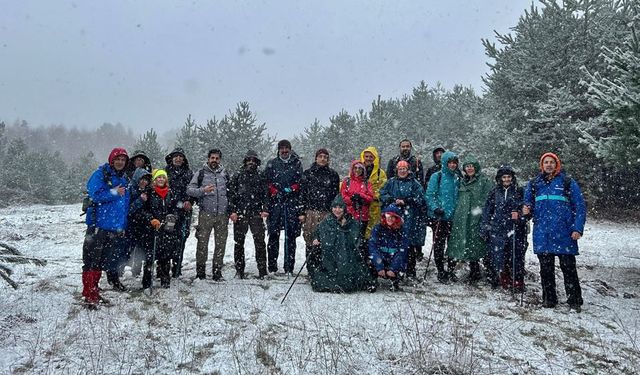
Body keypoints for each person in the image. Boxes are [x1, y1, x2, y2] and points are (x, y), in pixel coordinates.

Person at [523, 152, 586, 312]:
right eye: (546, 162)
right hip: (543, 233)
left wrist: (577, 228)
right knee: (546, 269)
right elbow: (527, 205)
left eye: (552, 162)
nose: (549, 165)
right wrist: (526, 210)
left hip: (564, 233)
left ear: (557, 164)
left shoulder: (567, 182)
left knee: (568, 268)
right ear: (542, 165)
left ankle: (574, 301)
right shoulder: (534, 184)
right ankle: (549, 300)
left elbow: (579, 207)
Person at [81, 148, 130, 307]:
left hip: (112, 227)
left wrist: (122, 225)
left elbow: (124, 205)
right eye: (118, 159)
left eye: (123, 160)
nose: (120, 162)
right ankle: (89, 293)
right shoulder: (100, 174)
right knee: (91, 260)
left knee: (101, 260)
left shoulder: (123, 178)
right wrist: (114, 192)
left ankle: (93, 290)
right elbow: (94, 195)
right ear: (111, 160)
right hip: (98, 225)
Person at [308, 196, 373, 293]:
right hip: (331, 256)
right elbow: (317, 231)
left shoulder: (352, 222)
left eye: (340, 207)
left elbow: (356, 237)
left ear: (344, 209)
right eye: (335, 207)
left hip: (347, 255)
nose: (337, 210)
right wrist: (316, 238)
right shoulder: (326, 222)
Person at [446, 155, 493, 283]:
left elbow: (489, 198)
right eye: (467, 166)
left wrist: (482, 213)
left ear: (476, 167)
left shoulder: (484, 181)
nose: (469, 168)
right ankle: (472, 270)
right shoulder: (461, 181)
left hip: (477, 216)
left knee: (479, 243)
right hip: (462, 217)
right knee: (466, 243)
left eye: (471, 166)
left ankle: (488, 272)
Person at [481, 165, 528, 290]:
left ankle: (518, 280)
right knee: (500, 254)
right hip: (498, 228)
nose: (506, 179)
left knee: (516, 255)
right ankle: (504, 277)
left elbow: (526, 210)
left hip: (515, 228)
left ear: (512, 178)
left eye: (509, 177)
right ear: (500, 178)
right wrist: (485, 227)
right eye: (504, 177)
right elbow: (487, 210)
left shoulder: (519, 191)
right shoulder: (494, 192)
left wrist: (519, 215)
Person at [379, 160, 427, 279]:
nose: (402, 171)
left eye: (404, 169)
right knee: (394, 243)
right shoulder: (391, 182)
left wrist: (407, 201)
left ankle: (410, 270)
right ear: (397, 170)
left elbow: (421, 198)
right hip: (393, 216)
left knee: (408, 244)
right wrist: (392, 200)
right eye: (400, 169)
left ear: (408, 170)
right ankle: (394, 269)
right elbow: (382, 194)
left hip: (410, 217)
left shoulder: (414, 183)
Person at [187, 149, 229, 281]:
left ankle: (217, 271)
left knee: (221, 244)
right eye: (212, 158)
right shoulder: (200, 173)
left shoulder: (225, 174)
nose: (214, 160)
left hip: (222, 215)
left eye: (217, 158)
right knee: (202, 244)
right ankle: (200, 272)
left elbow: (231, 192)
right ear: (208, 159)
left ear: (220, 160)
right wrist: (203, 190)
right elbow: (190, 190)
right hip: (206, 214)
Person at [264, 140, 304, 275]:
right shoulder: (272, 163)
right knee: (273, 235)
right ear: (279, 150)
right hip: (275, 203)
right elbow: (266, 181)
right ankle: (272, 267)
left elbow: (300, 181)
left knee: (290, 237)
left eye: (287, 148)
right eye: (282, 148)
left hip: (291, 203)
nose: (284, 151)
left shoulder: (297, 163)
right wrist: (274, 190)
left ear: (290, 150)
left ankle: (289, 268)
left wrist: (292, 189)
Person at [228, 150, 269, 279]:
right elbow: (231, 194)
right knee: (239, 243)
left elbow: (265, 194)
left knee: (260, 243)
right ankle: (239, 270)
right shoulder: (238, 175)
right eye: (249, 160)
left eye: (253, 160)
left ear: (256, 162)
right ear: (245, 161)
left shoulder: (261, 176)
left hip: (256, 213)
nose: (251, 162)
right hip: (240, 213)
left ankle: (262, 270)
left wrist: (265, 208)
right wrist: (232, 211)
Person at [300, 148, 340, 269]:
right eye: (320, 156)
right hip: (311, 212)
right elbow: (302, 194)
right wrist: (302, 212)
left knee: (326, 241)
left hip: (327, 212)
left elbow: (335, 195)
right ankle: (311, 268)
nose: (323, 159)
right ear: (316, 158)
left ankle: (324, 267)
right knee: (310, 239)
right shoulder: (308, 173)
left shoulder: (333, 175)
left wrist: (335, 212)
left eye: (325, 157)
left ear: (328, 160)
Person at [425, 150, 461, 283]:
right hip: (440, 217)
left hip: (454, 218)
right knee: (439, 245)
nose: (452, 165)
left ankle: (451, 270)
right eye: (450, 162)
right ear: (445, 163)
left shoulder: (457, 178)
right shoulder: (437, 176)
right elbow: (429, 195)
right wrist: (435, 208)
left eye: (454, 163)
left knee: (453, 246)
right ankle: (441, 271)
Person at [148, 169, 180, 288]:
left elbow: (176, 208)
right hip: (154, 227)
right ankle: (148, 279)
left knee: (166, 253)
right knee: (152, 254)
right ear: (154, 180)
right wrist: (151, 219)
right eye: (158, 177)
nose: (161, 179)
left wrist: (174, 217)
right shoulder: (150, 193)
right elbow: (146, 209)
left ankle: (165, 277)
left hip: (168, 227)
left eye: (163, 177)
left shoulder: (170, 193)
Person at [164, 147, 194, 278]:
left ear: (184, 159)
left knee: (181, 239)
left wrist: (190, 201)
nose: (178, 158)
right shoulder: (164, 172)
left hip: (184, 213)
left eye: (180, 156)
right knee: (165, 239)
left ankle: (177, 268)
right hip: (167, 212)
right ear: (171, 158)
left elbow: (194, 190)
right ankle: (163, 269)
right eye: (175, 156)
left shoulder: (189, 173)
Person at [368, 204, 409, 292]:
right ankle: (372, 280)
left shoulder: (402, 231)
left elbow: (402, 251)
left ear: (397, 218)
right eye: (388, 216)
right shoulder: (377, 228)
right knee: (370, 259)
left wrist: (393, 269)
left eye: (393, 216)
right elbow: (373, 248)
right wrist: (379, 266)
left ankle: (395, 281)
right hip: (380, 258)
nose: (390, 218)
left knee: (402, 261)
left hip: (393, 259)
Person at [127, 168, 153, 279]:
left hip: (144, 225)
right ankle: (131, 271)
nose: (144, 182)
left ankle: (141, 272)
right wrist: (140, 201)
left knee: (143, 249)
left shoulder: (147, 191)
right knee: (132, 249)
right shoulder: (130, 190)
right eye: (142, 179)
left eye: (146, 180)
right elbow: (128, 209)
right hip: (132, 225)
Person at [340, 160, 375, 241]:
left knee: (360, 240)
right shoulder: (347, 181)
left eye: (360, 168)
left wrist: (361, 196)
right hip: (348, 215)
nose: (357, 170)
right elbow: (342, 197)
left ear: (363, 170)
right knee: (347, 239)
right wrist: (351, 200)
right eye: (355, 168)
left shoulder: (367, 183)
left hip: (362, 216)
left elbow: (370, 198)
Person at [360, 147, 387, 240]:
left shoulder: (380, 173)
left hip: (374, 206)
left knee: (373, 231)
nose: (368, 158)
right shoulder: (357, 169)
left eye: (371, 157)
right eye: (366, 156)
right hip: (360, 206)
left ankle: (370, 251)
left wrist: (373, 196)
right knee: (360, 230)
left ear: (375, 158)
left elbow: (383, 188)